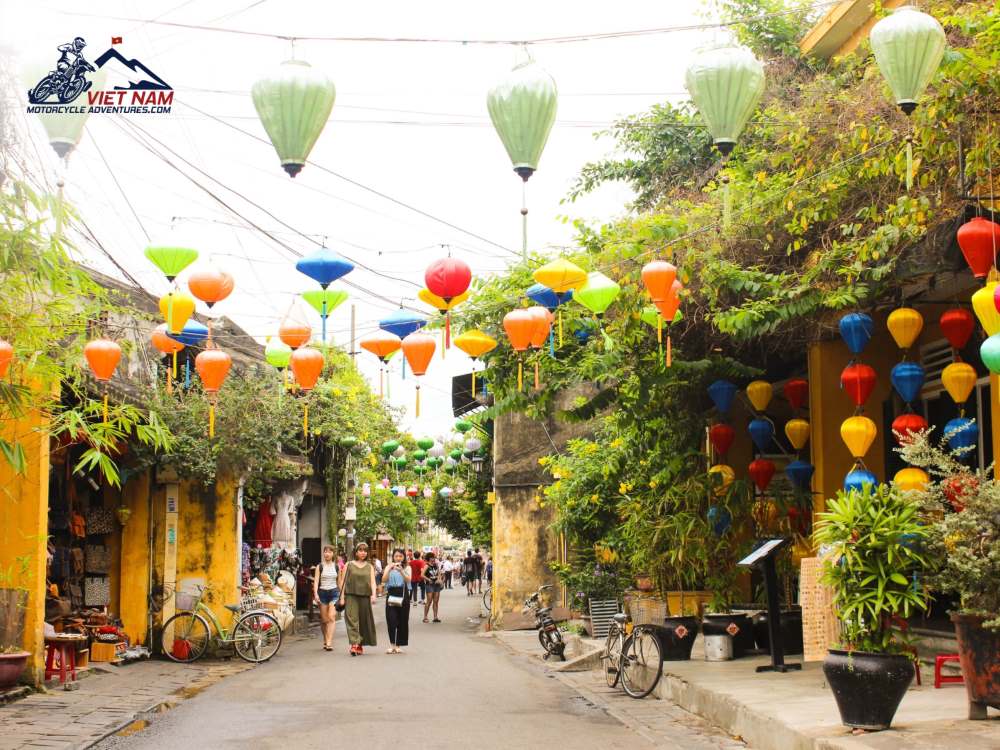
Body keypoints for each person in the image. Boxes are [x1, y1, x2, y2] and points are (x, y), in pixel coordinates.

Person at [337, 542, 377, 655]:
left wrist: (373, 595)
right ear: (356, 552)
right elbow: (342, 582)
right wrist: (342, 597)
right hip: (351, 595)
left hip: (365, 596)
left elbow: (373, 582)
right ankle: (354, 644)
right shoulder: (348, 565)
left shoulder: (369, 566)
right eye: (360, 550)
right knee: (351, 619)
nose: (363, 553)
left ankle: (360, 645)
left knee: (364, 621)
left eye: (365, 551)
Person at [312, 545, 340, 651]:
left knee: (331, 617)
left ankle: (329, 642)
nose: (327, 554)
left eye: (329, 552)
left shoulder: (337, 567)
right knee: (324, 620)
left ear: (333, 554)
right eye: (325, 552)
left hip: (334, 593)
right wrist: (316, 594)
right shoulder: (320, 566)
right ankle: (325, 639)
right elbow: (316, 582)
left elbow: (339, 582)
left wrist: (342, 596)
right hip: (322, 593)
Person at [383, 548, 412, 654]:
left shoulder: (407, 567)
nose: (398, 558)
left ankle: (398, 645)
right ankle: (392, 645)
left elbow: (409, 580)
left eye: (400, 556)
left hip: (403, 595)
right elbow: (384, 580)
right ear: (393, 557)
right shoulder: (388, 566)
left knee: (402, 620)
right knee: (391, 620)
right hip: (391, 594)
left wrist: (401, 571)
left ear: (404, 557)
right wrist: (389, 569)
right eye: (396, 556)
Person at [422, 552, 443, 623]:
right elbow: (422, 575)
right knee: (429, 601)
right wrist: (428, 579)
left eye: (434, 557)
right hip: (429, 585)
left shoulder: (436, 565)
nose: (433, 559)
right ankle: (425, 617)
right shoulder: (427, 566)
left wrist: (439, 579)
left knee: (436, 601)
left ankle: (435, 617)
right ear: (429, 558)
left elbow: (439, 573)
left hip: (437, 585)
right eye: (432, 557)